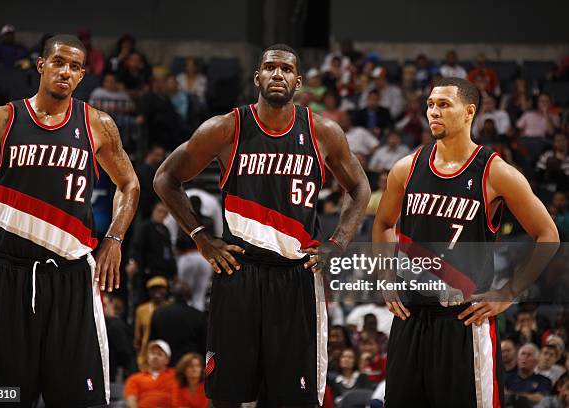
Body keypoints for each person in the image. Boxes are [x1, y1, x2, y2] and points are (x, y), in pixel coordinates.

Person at [153, 43, 370, 407]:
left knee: (294, 397)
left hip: (296, 275)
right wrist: (200, 236)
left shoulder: (323, 132)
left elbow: (360, 187)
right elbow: (165, 178)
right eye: (270, 68)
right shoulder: (225, 129)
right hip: (240, 273)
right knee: (226, 395)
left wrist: (340, 240)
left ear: (298, 82)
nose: (278, 75)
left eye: (286, 70)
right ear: (258, 77)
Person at [0, 34, 140, 406]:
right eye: (58, 62)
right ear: (41, 65)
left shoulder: (98, 124)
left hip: (72, 279)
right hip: (10, 276)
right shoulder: (0, 120)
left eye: (75, 66)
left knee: (78, 401)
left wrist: (115, 238)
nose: (65, 71)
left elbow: (130, 184)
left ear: (82, 75)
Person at [373, 77, 559, 407]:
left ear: (469, 112)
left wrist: (509, 292)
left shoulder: (496, 172)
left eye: (444, 105)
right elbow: (384, 224)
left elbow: (548, 236)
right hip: (410, 320)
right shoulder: (406, 168)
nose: (434, 112)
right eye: (430, 105)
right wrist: (386, 279)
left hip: (463, 322)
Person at [149, 281, 206, 367]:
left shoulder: (158, 313)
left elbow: (153, 341)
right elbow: (204, 344)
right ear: (189, 295)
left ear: (172, 294)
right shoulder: (199, 316)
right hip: (189, 365)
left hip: (165, 363)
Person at [124, 339, 178, 408]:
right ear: (148, 357)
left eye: (159, 354)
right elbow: (131, 400)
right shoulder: (135, 378)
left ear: (167, 360)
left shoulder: (176, 375)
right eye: (152, 353)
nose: (155, 357)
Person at [134, 276, 169, 370]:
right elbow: (138, 335)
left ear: (165, 291)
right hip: (146, 354)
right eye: (153, 289)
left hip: (167, 354)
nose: (157, 292)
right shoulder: (142, 310)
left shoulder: (170, 308)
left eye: (160, 288)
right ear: (149, 292)